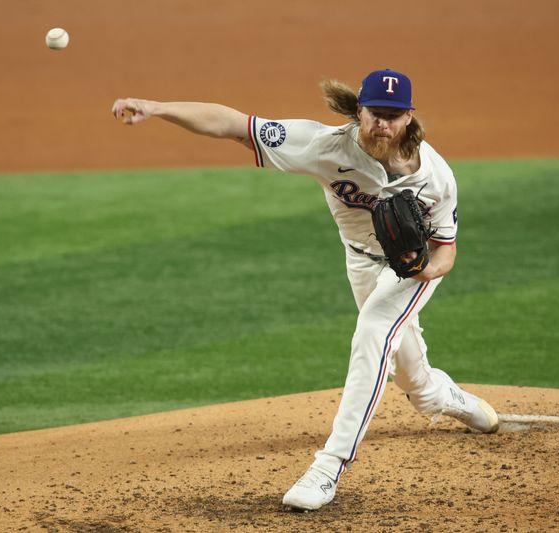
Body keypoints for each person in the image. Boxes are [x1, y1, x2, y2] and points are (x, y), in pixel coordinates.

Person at [111, 69, 499, 511]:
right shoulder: (324, 145)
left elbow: (445, 252)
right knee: (413, 380)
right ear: (359, 111)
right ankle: (439, 395)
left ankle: (327, 468)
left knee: (373, 331)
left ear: (409, 117)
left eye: (393, 116)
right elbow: (236, 125)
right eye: (375, 114)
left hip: (409, 274)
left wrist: (421, 269)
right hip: (359, 261)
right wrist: (158, 109)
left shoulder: (437, 176)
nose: (382, 125)